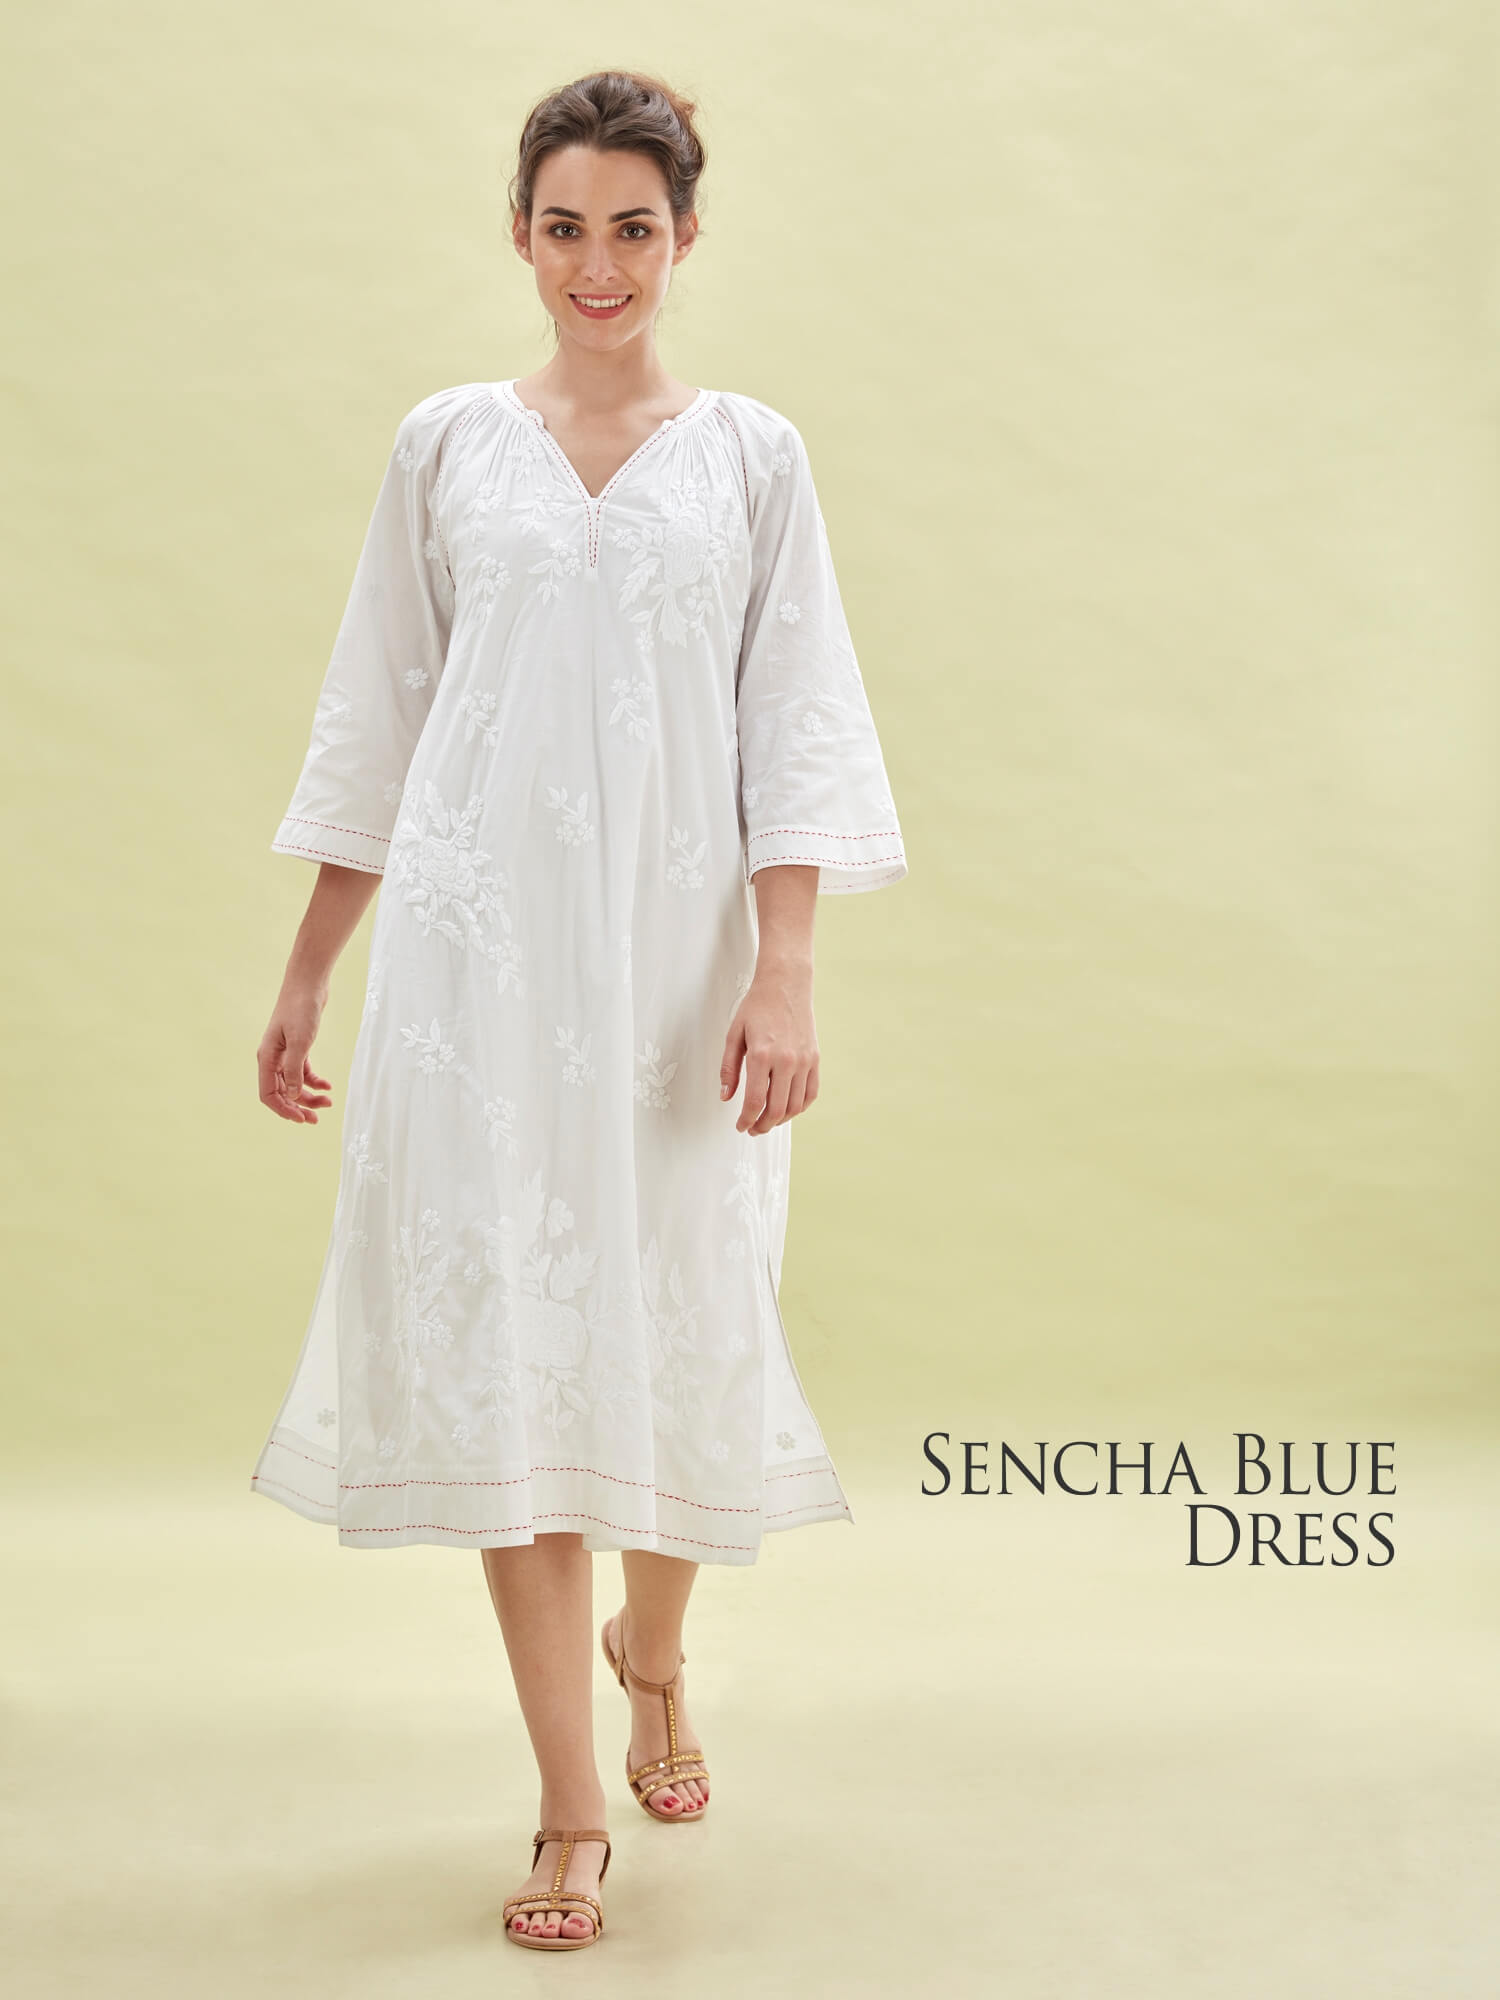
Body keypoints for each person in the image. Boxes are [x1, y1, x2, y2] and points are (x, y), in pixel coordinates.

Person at [251, 68, 907, 1953]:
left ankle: (656, 1652)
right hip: (475, 980)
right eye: (563, 227)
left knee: (685, 1342)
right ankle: (564, 1806)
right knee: (515, 1374)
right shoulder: (449, 445)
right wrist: (310, 967)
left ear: (686, 237)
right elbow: (379, 712)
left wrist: (787, 967)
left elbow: (796, 720)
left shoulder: (753, 458)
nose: (596, 265)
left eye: (633, 228)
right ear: (519, 235)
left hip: (682, 984)